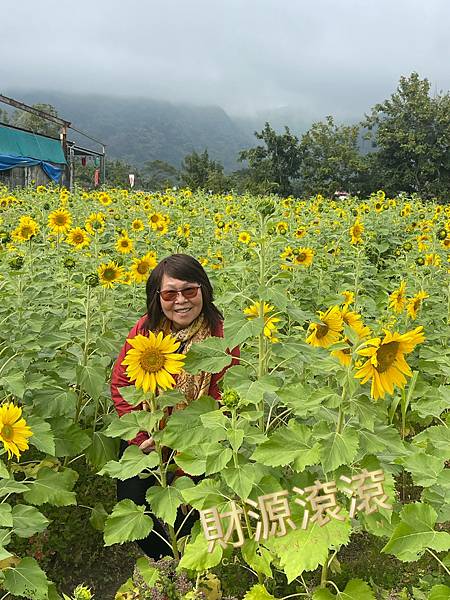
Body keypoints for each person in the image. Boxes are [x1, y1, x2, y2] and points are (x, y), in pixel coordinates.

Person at [111, 253, 239, 558]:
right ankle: (164, 562)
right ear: (158, 298)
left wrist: (184, 452)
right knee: (136, 502)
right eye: (170, 293)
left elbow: (223, 398)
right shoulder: (146, 330)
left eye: (189, 291)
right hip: (148, 435)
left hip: (201, 441)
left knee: (194, 508)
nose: (180, 301)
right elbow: (122, 383)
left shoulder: (221, 336)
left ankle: (195, 563)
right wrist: (142, 437)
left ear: (203, 291)